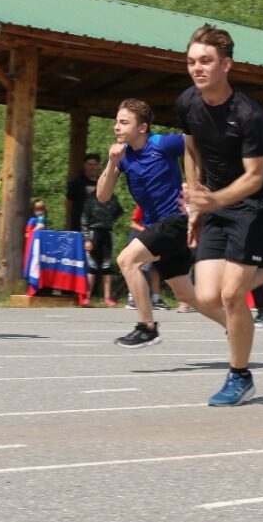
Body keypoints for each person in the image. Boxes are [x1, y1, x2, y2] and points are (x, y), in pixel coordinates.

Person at [177, 23, 263, 407]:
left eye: (205, 61)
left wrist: (215, 201)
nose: (197, 68)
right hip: (214, 204)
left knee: (230, 295)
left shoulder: (249, 114)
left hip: (251, 208)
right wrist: (194, 201)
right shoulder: (187, 102)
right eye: (191, 61)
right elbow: (191, 150)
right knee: (204, 297)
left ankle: (240, 376)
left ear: (227, 65)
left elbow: (255, 178)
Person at [97, 99, 198, 347]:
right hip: (155, 228)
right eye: (116, 122)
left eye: (123, 122)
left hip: (175, 221)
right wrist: (112, 162)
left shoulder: (162, 143)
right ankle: (233, 323)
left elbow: (195, 143)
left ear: (142, 127)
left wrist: (194, 190)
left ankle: (146, 327)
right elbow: (102, 196)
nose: (116, 127)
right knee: (186, 295)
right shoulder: (122, 156)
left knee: (126, 260)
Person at [81, 187, 123, 307]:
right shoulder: (90, 200)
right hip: (94, 232)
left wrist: (110, 220)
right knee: (92, 266)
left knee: (107, 266)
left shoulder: (112, 198)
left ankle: (108, 298)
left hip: (107, 233)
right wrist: (87, 239)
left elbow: (119, 211)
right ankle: (87, 296)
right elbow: (84, 220)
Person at [124, 204, 167, 311]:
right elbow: (133, 224)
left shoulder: (164, 206)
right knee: (139, 268)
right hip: (140, 238)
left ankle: (155, 299)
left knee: (156, 269)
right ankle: (132, 298)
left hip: (154, 238)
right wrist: (147, 231)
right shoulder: (143, 204)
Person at [65, 153, 100, 232]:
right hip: (79, 226)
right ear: (84, 165)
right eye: (90, 164)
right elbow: (68, 204)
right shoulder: (76, 183)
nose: (92, 167)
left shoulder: (103, 183)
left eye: (95, 164)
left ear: (98, 166)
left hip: (98, 227)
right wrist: (68, 224)